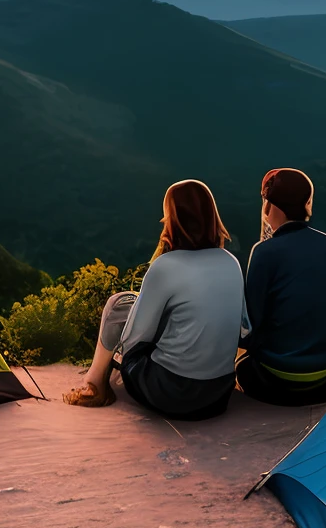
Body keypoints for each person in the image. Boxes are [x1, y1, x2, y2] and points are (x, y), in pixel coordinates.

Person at [64, 179, 244, 420]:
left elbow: (133, 340)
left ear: (173, 220)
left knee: (118, 304)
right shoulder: (230, 262)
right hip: (218, 395)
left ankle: (94, 384)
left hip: (171, 394)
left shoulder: (166, 266)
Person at [237, 168, 326, 405]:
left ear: (269, 204)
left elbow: (251, 325)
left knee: (242, 366)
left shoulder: (263, 252)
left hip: (277, 379)